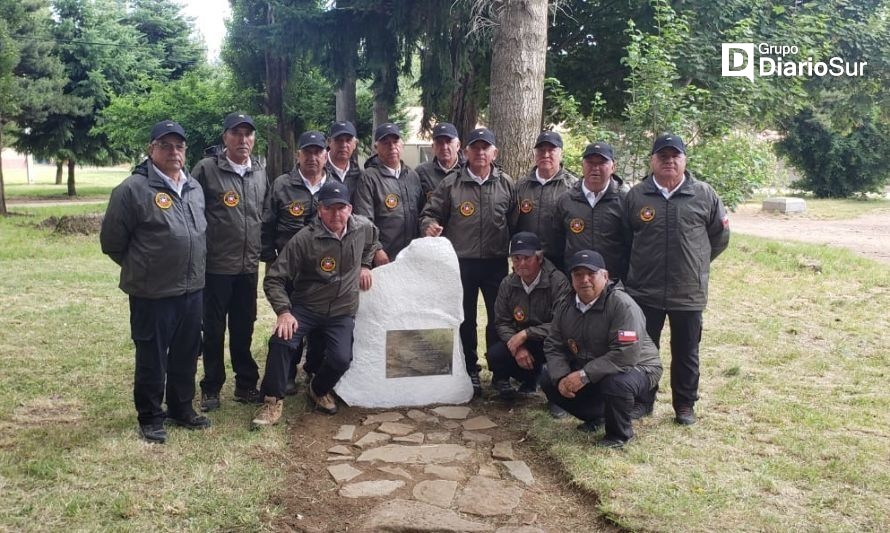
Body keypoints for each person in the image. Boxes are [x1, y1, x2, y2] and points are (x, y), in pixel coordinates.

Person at [100, 120, 210, 443]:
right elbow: (112, 242)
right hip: (153, 292)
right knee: (152, 356)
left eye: (179, 146)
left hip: (192, 289)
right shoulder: (131, 190)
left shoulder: (194, 188)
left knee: (186, 352)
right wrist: (145, 267)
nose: (173, 152)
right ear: (151, 149)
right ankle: (150, 416)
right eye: (165, 145)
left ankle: (181, 407)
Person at [252, 181, 381, 427]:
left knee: (341, 359)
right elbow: (274, 278)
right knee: (281, 340)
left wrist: (365, 264)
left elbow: (374, 241)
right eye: (330, 208)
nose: (336, 214)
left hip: (342, 311)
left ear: (350, 209)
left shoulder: (362, 227)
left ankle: (318, 389)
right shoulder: (304, 239)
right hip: (307, 307)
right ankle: (272, 400)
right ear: (320, 210)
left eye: (341, 208)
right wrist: (283, 311)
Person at [623, 134, 730, 425]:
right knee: (644, 350)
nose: (669, 161)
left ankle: (684, 404)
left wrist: (695, 264)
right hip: (644, 290)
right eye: (663, 156)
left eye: (675, 156)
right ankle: (643, 401)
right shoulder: (636, 196)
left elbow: (719, 237)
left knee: (686, 351)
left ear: (684, 160)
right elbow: (625, 240)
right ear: (652, 160)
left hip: (688, 291)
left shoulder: (705, 194)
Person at [420, 127, 516, 396]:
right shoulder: (451, 183)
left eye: (486, 148)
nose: (481, 152)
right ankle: (469, 371)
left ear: (494, 152)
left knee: (499, 318)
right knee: (465, 319)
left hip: (496, 263)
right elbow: (430, 213)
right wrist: (429, 225)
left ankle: (501, 374)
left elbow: (514, 221)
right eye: (476, 147)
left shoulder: (506, 183)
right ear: (466, 151)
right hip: (461, 263)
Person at [542, 250, 662, 448]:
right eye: (578, 274)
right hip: (594, 366)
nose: (585, 280)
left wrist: (582, 375)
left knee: (617, 383)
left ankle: (619, 435)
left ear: (605, 276)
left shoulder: (622, 305)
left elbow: (626, 355)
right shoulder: (565, 305)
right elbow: (553, 344)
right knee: (548, 377)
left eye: (591, 273)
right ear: (572, 278)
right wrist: (561, 376)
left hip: (638, 366)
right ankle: (598, 417)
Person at [191, 112, 267, 412]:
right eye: (236, 134)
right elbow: (192, 211)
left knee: (243, 327)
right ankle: (211, 386)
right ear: (225, 137)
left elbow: (265, 214)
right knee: (212, 330)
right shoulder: (207, 169)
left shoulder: (260, 171)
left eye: (248, 134)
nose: (243, 140)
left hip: (248, 267)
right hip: (216, 267)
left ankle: (246, 384)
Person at [261, 130, 332, 395]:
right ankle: (287, 373)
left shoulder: (332, 185)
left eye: (318, 152)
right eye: (307, 152)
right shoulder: (282, 185)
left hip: (323, 270)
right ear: (298, 155)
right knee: (290, 323)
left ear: (325, 155)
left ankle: (313, 369)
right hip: (290, 269)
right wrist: (270, 260)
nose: (313, 157)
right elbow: (267, 224)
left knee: (320, 325)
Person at [488, 232, 570, 402]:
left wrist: (526, 333)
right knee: (495, 355)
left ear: (539, 258)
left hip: (549, 341)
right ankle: (526, 378)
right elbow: (502, 321)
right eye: (516, 258)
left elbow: (561, 323)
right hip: (523, 343)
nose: (521, 263)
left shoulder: (558, 281)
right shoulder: (508, 283)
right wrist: (518, 347)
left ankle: (546, 379)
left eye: (527, 258)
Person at [554, 141, 629, 280]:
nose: (595, 168)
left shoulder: (625, 200)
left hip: (614, 283)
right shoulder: (566, 200)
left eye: (601, 163)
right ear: (583, 165)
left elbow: (631, 244)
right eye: (590, 163)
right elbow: (557, 243)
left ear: (613, 166)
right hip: (577, 282)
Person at [354, 122, 424, 262]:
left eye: (395, 142)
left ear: (402, 144)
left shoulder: (412, 176)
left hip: (412, 256)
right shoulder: (369, 178)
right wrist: (377, 249)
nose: (392, 147)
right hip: (384, 256)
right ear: (376, 148)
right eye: (385, 143)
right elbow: (364, 221)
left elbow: (422, 214)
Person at [513, 131, 576, 270]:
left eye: (551, 150)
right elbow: (512, 223)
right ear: (535, 154)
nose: (546, 155)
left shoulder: (573, 187)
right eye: (541, 150)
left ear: (561, 154)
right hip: (527, 258)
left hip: (560, 260)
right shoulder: (521, 186)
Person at [415, 122, 463, 200]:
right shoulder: (422, 172)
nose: (444, 147)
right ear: (433, 147)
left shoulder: (468, 170)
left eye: (448, 141)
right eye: (440, 142)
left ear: (458, 145)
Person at [326, 121, 363, 203]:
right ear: (329, 142)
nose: (343, 145)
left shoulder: (360, 175)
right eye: (338, 140)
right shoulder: (319, 171)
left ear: (355, 144)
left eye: (348, 140)